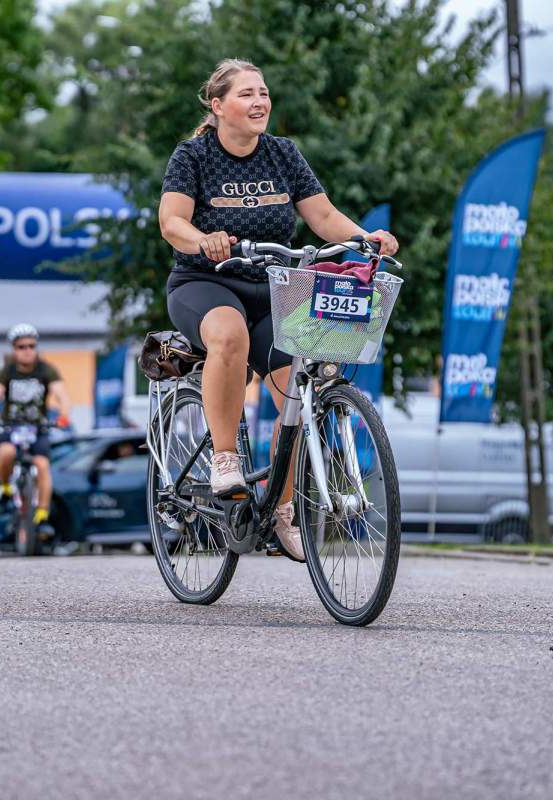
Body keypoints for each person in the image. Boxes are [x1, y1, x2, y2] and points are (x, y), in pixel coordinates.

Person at [158, 59, 399, 561]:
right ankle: (224, 458)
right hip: (205, 280)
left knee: (297, 387)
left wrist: (363, 239)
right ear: (218, 105)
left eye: (264, 93)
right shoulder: (193, 155)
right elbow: (171, 222)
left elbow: (324, 217)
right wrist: (205, 241)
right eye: (247, 94)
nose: (260, 102)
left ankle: (282, 511)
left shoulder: (284, 155)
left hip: (272, 284)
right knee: (229, 337)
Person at [0, 323, 71, 537]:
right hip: (11, 425)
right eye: (22, 346)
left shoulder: (46, 369)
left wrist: (64, 415)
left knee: (42, 464)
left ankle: (42, 513)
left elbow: (62, 395)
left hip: (38, 426)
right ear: (14, 349)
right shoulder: (6, 371)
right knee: (6, 453)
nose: (27, 350)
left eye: (31, 345)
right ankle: (5, 488)